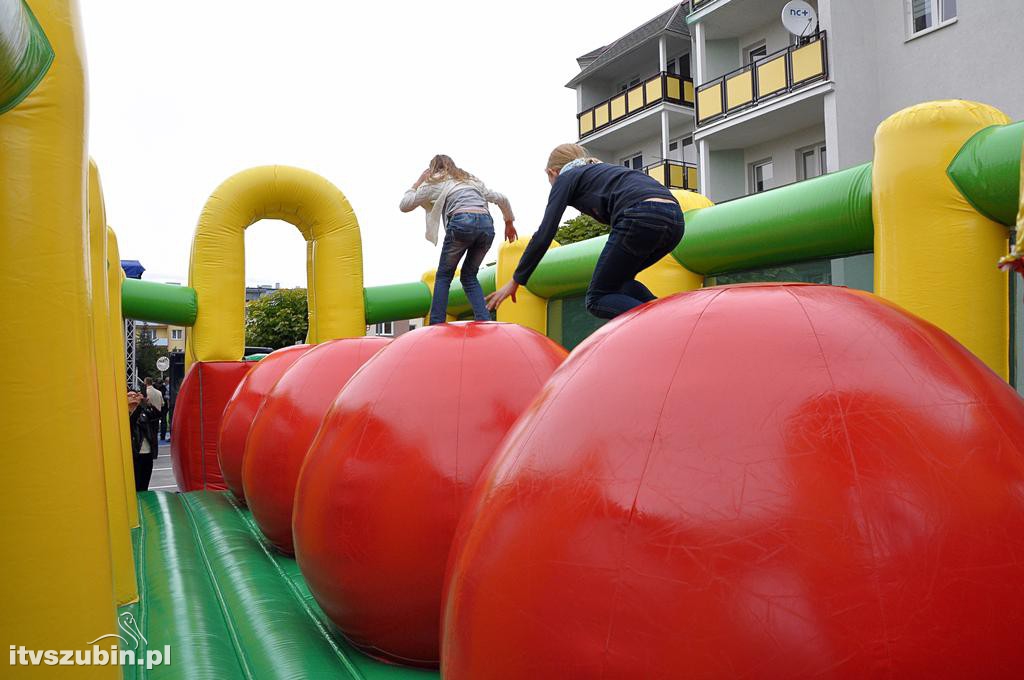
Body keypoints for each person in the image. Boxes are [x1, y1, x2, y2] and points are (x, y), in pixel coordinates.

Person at [486, 143, 685, 320]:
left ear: (552, 172)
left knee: (597, 297)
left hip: (640, 215)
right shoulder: (600, 171)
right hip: (675, 220)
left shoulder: (566, 177)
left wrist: (516, 280)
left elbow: (545, 232)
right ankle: (667, 315)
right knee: (620, 284)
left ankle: (663, 322)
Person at [400, 154, 518, 324]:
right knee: (469, 275)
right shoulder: (471, 180)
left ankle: (436, 324)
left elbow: (405, 205)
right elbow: (501, 198)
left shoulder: (434, 182)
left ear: (433, 169)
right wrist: (509, 222)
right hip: (486, 226)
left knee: (443, 276)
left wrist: (417, 183)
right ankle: (484, 320)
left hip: (462, 222)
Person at [128, 390, 159, 491]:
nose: (133, 397)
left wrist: (146, 403)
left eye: (135, 395)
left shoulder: (144, 412)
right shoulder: (124, 414)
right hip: (135, 454)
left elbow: (157, 415)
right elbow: (132, 422)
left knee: (145, 484)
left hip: (147, 453)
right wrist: (139, 407)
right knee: (136, 485)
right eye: (130, 395)